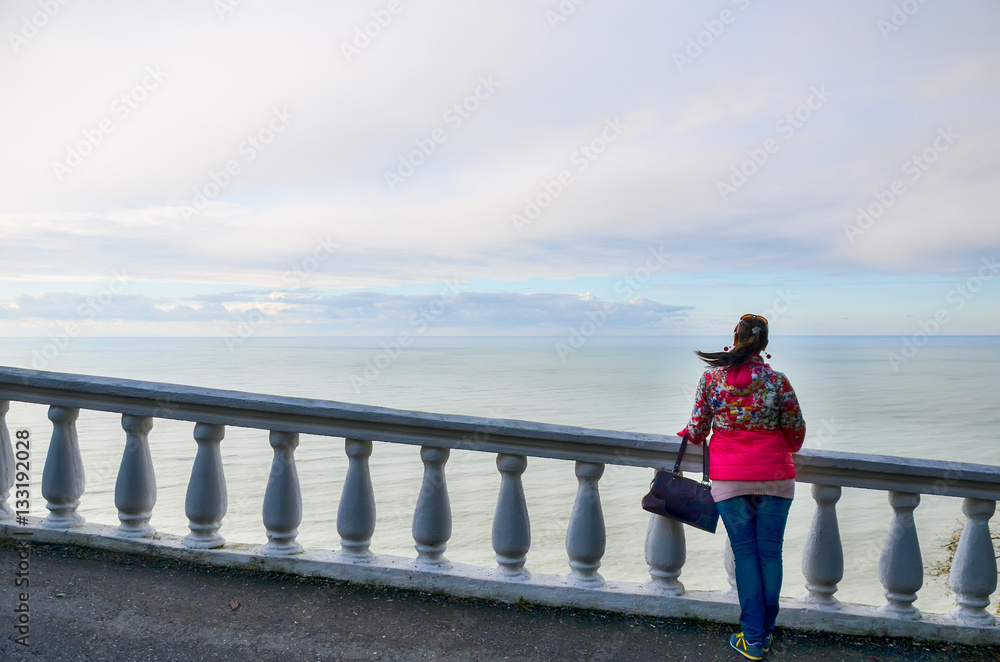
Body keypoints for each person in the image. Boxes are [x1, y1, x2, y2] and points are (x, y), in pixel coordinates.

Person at [680, 314, 806, 660]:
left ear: (734, 339)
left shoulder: (711, 380)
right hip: (775, 477)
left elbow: (696, 430)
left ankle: (751, 639)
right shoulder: (778, 382)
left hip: (730, 476)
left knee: (746, 555)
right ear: (764, 344)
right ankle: (764, 635)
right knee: (770, 554)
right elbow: (795, 435)